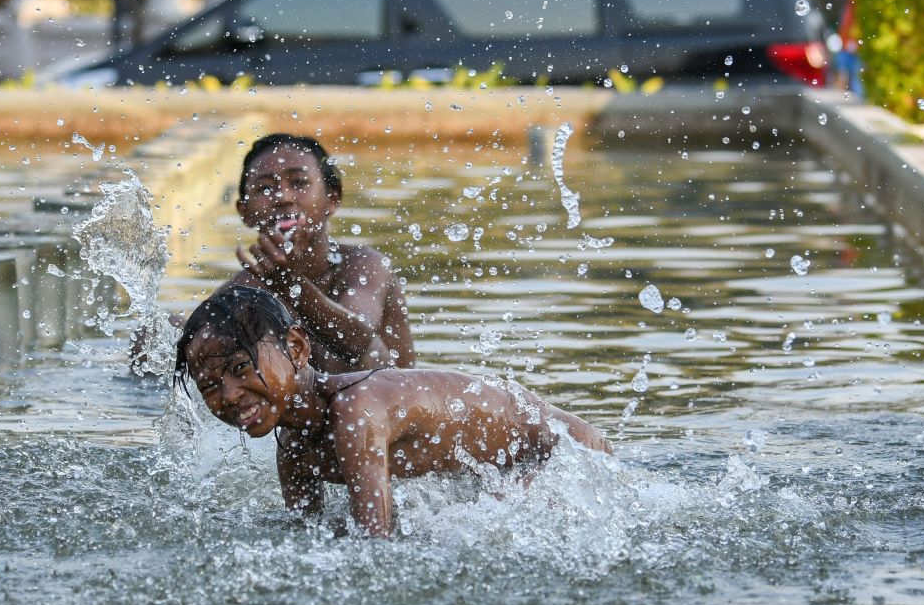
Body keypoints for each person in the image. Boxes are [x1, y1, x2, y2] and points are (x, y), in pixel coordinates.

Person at [174, 285, 611, 537]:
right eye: (210, 384)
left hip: (567, 455)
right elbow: (304, 531)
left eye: (239, 368)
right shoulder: (292, 445)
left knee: (482, 536)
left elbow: (374, 550)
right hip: (523, 465)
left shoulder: (356, 410)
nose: (228, 396)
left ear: (298, 348)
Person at [221, 133, 415, 372]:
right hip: (308, 407)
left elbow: (357, 342)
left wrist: (291, 285)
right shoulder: (241, 293)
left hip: (390, 402)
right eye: (265, 188)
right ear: (245, 212)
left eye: (299, 183)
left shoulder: (364, 265)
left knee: (368, 350)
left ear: (332, 199)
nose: (283, 197)